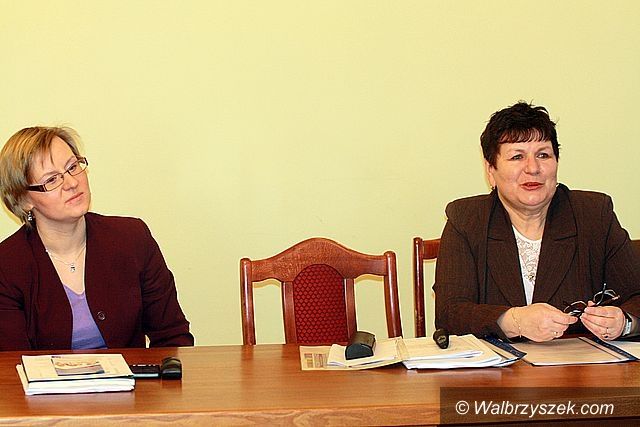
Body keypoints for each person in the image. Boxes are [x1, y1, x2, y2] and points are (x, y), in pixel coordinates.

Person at [434, 102, 640, 342]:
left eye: (543, 155)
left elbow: (636, 294)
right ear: (491, 170)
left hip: (579, 363)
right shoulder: (467, 219)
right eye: (517, 157)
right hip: (499, 365)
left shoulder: (594, 215)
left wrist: (625, 322)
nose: (533, 168)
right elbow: (450, 313)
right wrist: (514, 321)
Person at [0, 126, 194, 350]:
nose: (72, 183)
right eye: (52, 180)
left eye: (73, 167)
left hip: (133, 375)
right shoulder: (7, 266)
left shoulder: (132, 238)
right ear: (24, 200)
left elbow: (173, 337)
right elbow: (11, 362)